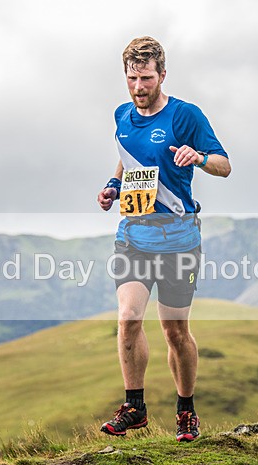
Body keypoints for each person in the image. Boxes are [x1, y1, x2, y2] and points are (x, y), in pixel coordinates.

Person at [96, 36, 231, 442]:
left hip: (178, 240)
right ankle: (134, 406)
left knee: (175, 331)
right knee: (128, 318)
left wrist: (199, 158)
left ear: (163, 75)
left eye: (147, 78)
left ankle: (186, 410)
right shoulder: (122, 115)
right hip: (134, 236)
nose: (139, 87)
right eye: (132, 78)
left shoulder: (185, 115)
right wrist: (113, 186)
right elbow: (128, 157)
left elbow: (224, 165)